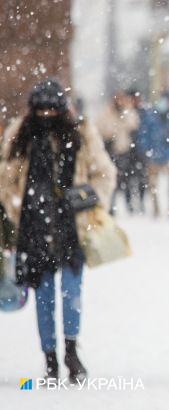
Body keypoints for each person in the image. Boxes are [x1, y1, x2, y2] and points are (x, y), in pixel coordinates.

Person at [0, 79, 116, 382]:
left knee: (71, 289)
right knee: (44, 293)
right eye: (42, 109)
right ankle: (50, 357)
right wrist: (18, 211)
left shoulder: (81, 132)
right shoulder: (21, 135)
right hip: (34, 224)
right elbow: (6, 180)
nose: (48, 114)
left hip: (71, 222)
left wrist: (89, 199)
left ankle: (71, 350)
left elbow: (105, 173)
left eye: (53, 108)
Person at [141, 92, 169, 218]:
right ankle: (156, 209)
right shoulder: (150, 117)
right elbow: (144, 136)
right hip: (154, 156)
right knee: (153, 185)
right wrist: (147, 151)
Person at [95, 91, 140, 214]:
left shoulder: (128, 113)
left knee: (127, 180)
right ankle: (111, 205)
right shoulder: (105, 114)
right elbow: (101, 129)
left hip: (125, 151)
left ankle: (129, 204)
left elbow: (133, 125)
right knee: (111, 180)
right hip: (110, 152)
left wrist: (124, 115)